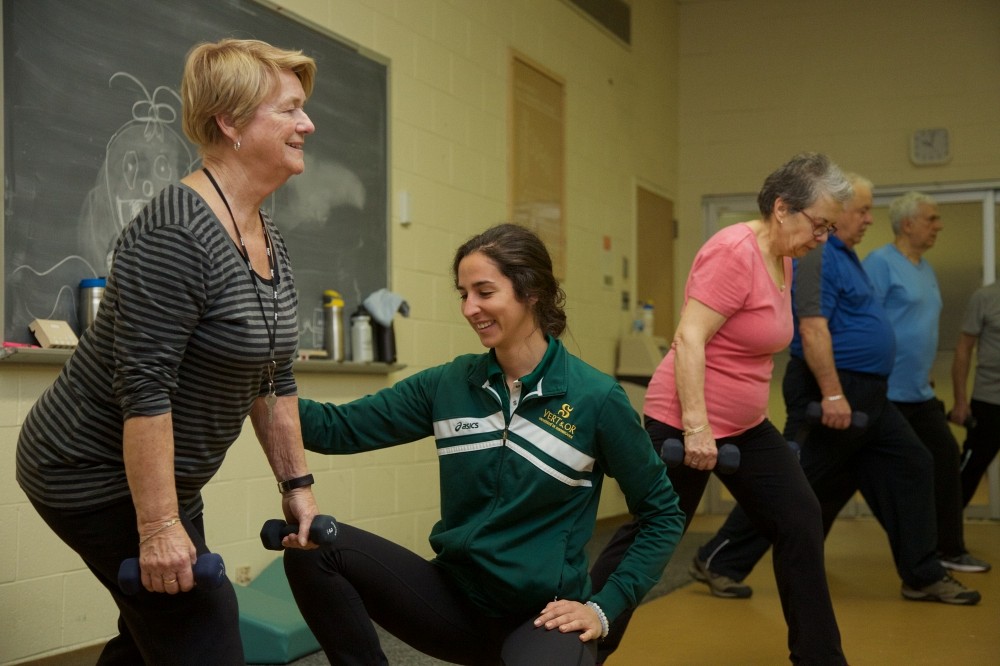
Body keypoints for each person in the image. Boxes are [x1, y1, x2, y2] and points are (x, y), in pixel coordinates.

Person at [15, 39, 323, 664]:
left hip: (163, 477)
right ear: (230, 122)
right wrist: (158, 529)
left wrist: (297, 486)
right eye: (289, 109)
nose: (307, 124)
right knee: (200, 626)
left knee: (159, 625)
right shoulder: (175, 231)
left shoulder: (266, 235)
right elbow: (145, 390)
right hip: (85, 470)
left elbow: (274, 375)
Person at [283, 223, 685, 666]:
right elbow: (335, 428)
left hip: (541, 618)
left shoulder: (596, 399)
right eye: (463, 294)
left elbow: (662, 514)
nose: (469, 308)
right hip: (454, 604)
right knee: (312, 550)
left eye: (484, 292)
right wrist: (253, 382)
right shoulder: (450, 383)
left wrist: (604, 607)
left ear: (531, 291)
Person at [590, 152, 853, 665]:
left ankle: (821, 659)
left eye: (828, 228)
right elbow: (690, 338)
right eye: (819, 225)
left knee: (799, 517)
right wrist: (697, 429)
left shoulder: (786, 257)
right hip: (684, 419)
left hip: (747, 427)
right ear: (782, 208)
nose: (823, 237)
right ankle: (575, 648)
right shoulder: (733, 251)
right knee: (652, 537)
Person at [694, 174, 982, 607]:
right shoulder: (819, 256)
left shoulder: (849, 257)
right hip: (831, 390)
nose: (869, 219)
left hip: (869, 395)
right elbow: (812, 327)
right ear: (835, 210)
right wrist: (831, 393)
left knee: (914, 464)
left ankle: (922, 575)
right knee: (787, 484)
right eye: (862, 210)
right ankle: (717, 559)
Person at [864, 191, 990, 572]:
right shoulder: (880, 264)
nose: (939, 226)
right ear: (908, 224)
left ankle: (948, 549)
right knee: (862, 474)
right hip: (885, 393)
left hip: (918, 391)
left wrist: (926, 374)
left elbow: (918, 329)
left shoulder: (925, 267)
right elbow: (867, 325)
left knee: (944, 458)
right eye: (931, 219)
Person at [952, 281, 1000, 506]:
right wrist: (961, 402)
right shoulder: (985, 297)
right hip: (989, 401)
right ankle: (944, 538)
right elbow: (963, 349)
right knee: (969, 473)